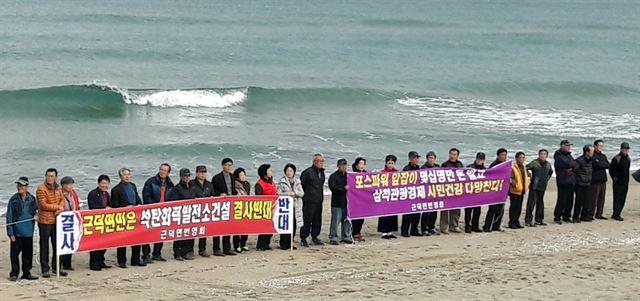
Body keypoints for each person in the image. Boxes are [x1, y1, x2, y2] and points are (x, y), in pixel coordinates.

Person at [110, 168, 145, 268]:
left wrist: (139, 206)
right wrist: (125, 208)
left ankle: (136, 259)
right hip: (123, 217)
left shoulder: (133, 186)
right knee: (122, 239)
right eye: (125, 175)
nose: (127, 176)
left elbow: (137, 198)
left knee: (137, 239)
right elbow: (115, 205)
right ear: (120, 176)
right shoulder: (116, 189)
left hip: (135, 215)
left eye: (128, 174)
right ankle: (122, 261)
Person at [6, 177, 39, 281]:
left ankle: (26, 273)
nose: (19, 187)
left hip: (28, 232)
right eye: (18, 186)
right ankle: (14, 274)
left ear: (26, 187)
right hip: (17, 232)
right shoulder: (13, 200)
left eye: (22, 186)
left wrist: (36, 215)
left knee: (27, 254)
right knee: (14, 255)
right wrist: (10, 233)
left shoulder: (32, 199)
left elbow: (36, 210)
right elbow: (9, 217)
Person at [36, 168, 67, 277]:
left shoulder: (58, 187)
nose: (50, 178)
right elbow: (43, 205)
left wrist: (61, 207)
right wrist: (58, 207)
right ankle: (45, 269)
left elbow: (63, 199)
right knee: (44, 245)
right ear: (45, 176)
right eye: (48, 176)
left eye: (52, 176)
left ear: (55, 177)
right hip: (45, 221)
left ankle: (57, 267)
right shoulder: (41, 188)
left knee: (58, 245)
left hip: (57, 220)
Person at [142, 163, 174, 263]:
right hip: (152, 210)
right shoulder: (150, 182)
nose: (162, 172)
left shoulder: (170, 183)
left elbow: (172, 197)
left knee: (161, 233)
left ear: (168, 172)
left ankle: (157, 254)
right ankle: (146, 255)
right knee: (147, 234)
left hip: (164, 212)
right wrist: (154, 207)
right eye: (161, 169)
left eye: (165, 170)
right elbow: (146, 196)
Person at [167, 168, 196, 261]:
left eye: (188, 176)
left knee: (190, 233)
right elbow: (173, 201)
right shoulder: (177, 188)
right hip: (180, 214)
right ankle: (177, 253)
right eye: (184, 176)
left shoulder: (192, 186)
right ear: (181, 177)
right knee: (179, 234)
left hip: (191, 213)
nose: (186, 178)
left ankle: (187, 251)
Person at [211, 158, 237, 256]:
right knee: (217, 227)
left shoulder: (233, 176)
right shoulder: (216, 178)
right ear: (223, 166)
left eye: (230, 165)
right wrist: (220, 194)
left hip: (230, 203)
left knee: (228, 226)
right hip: (220, 204)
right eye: (227, 165)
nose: (229, 167)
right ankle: (216, 249)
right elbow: (213, 191)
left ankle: (227, 248)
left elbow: (233, 189)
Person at [87, 175, 113, 271]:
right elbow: (92, 207)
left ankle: (101, 261)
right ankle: (93, 264)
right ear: (98, 183)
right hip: (96, 222)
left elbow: (110, 205)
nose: (104, 185)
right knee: (95, 243)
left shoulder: (106, 194)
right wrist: (104, 209)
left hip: (105, 221)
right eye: (102, 183)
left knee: (105, 243)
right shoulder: (93, 194)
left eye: (106, 183)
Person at [300, 154, 326, 247]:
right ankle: (303, 238)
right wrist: (306, 196)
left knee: (317, 220)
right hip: (309, 201)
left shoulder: (322, 173)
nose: (321, 163)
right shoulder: (307, 172)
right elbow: (302, 185)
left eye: (322, 161)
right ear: (314, 161)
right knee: (307, 220)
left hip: (319, 200)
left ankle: (315, 237)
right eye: (319, 161)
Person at [277, 163, 304, 250]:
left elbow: (302, 193)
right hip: (285, 206)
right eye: (288, 171)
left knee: (294, 225)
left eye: (291, 171)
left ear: (294, 172)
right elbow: (278, 193)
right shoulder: (282, 182)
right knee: (285, 225)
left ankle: (291, 242)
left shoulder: (297, 181)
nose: (289, 173)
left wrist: (295, 193)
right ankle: (283, 244)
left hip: (296, 206)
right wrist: (288, 194)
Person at [525, 149, 553, 227]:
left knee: (540, 203)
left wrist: (546, 180)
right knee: (531, 203)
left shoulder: (548, 164)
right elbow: (525, 168)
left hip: (542, 186)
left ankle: (539, 220)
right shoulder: (534, 163)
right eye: (541, 154)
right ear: (539, 155)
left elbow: (551, 172)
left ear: (547, 156)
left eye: (544, 154)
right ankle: (528, 220)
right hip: (534, 186)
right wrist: (529, 175)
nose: (543, 155)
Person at [483, 148, 508, 232]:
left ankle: (496, 226)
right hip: (494, 190)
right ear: (498, 156)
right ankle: (487, 226)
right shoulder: (494, 164)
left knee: (500, 209)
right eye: (502, 155)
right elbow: (489, 176)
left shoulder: (506, 164)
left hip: (503, 190)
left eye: (504, 155)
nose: (503, 156)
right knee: (492, 209)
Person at [553, 140, 578, 224]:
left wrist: (571, 166)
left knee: (570, 199)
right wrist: (571, 165)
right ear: (562, 146)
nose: (568, 147)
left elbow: (575, 164)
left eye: (569, 145)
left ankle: (566, 216)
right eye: (567, 145)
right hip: (562, 180)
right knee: (562, 199)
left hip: (571, 180)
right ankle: (557, 217)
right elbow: (565, 163)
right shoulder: (558, 154)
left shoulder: (569, 154)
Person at [329, 159, 353, 245]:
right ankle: (333, 237)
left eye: (345, 165)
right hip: (337, 203)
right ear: (338, 166)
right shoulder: (333, 176)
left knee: (347, 221)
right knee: (335, 221)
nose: (344, 167)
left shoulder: (349, 176)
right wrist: (343, 188)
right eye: (342, 165)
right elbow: (333, 188)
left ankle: (346, 236)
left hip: (347, 203)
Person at [191, 165, 213, 257]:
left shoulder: (209, 184)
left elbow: (213, 195)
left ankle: (202, 250)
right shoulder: (191, 183)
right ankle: (190, 250)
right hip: (194, 210)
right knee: (192, 230)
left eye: (204, 172)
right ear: (196, 173)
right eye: (200, 172)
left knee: (203, 230)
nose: (202, 174)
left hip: (205, 211)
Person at [440, 148, 463, 234]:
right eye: (451, 154)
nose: (453, 156)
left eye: (455, 154)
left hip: (456, 189)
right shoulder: (445, 164)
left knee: (456, 209)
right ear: (449, 154)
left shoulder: (460, 164)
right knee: (445, 209)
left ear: (457, 155)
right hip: (446, 189)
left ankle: (454, 225)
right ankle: (444, 227)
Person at [60, 176, 79, 271]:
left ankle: (67, 264)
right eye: (68, 184)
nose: (70, 186)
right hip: (62, 221)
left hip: (72, 220)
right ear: (63, 185)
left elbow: (77, 204)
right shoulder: (59, 194)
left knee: (70, 241)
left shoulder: (73, 194)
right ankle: (59, 264)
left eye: (71, 184)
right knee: (61, 243)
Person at [401, 151, 422, 237]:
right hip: (408, 193)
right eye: (414, 158)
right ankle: (404, 231)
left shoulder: (418, 168)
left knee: (417, 213)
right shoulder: (406, 168)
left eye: (417, 158)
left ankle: (414, 229)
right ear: (410, 159)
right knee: (407, 214)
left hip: (417, 193)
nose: (416, 159)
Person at [255, 164, 276, 250]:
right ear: (264, 173)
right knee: (264, 227)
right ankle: (261, 245)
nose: (271, 172)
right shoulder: (259, 184)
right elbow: (258, 197)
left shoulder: (272, 181)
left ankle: (267, 243)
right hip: (264, 208)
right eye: (269, 171)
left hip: (273, 207)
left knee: (271, 227)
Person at [378, 155, 399, 239]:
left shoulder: (397, 173)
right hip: (385, 195)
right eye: (389, 163)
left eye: (392, 163)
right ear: (386, 163)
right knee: (384, 214)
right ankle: (384, 232)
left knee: (393, 214)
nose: (390, 165)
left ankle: (390, 231)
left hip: (393, 195)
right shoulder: (382, 172)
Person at [588, 140, 610, 220]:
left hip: (603, 179)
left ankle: (599, 214)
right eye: (600, 145)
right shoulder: (592, 155)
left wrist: (600, 164)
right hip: (595, 180)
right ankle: (591, 214)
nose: (601, 147)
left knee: (602, 198)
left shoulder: (603, 156)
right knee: (593, 198)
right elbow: (596, 164)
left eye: (602, 146)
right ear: (595, 146)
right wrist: (600, 164)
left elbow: (607, 165)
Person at [610, 142, 631, 221]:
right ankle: (616, 214)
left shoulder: (628, 159)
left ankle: (618, 212)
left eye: (627, 149)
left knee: (623, 198)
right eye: (625, 149)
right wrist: (614, 178)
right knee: (617, 198)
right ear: (621, 149)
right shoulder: (616, 158)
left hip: (625, 182)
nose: (626, 150)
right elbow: (611, 169)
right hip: (617, 182)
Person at [465, 152, 485, 233]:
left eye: (481, 159)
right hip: (470, 192)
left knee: (477, 210)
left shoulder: (485, 170)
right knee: (468, 211)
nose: (479, 160)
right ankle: (467, 226)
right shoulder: (469, 167)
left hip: (479, 193)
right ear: (476, 158)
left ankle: (475, 225)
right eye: (478, 159)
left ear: (483, 160)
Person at [420, 151, 439, 235]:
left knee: (434, 211)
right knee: (426, 211)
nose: (431, 160)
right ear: (427, 159)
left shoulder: (438, 167)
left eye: (432, 158)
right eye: (429, 158)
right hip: (426, 192)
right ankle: (424, 228)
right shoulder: (423, 168)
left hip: (435, 192)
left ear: (435, 159)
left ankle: (432, 227)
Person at [508, 152, 528, 229]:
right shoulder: (513, 167)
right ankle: (512, 222)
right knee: (513, 207)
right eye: (520, 157)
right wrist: (515, 185)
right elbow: (510, 178)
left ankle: (516, 221)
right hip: (515, 191)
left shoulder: (524, 167)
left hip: (522, 190)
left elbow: (527, 176)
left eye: (523, 157)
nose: (522, 159)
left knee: (519, 208)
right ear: (516, 158)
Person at [233, 168, 251, 252]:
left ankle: (243, 244)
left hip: (246, 207)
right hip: (237, 207)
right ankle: (236, 245)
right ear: (237, 177)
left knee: (246, 227)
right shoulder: (235, 184)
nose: (243, 176)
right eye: (241, 175)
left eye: (244, 174)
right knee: (237, 228)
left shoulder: (247, 184)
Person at [574, 145, 594, 223]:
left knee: (587, 201)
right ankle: (576, 217)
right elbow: (574, 170)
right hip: (580, 184)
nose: (593, 153)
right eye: (591, 151)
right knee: (579, 201)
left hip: (588, 183)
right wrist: (579, 179)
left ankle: (584, 216)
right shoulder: (579, 160)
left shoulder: (591, 160)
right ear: (587, 152)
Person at [350, 157, 366, 242]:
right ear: (356, 165)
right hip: (355, 200)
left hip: (363, 200)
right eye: (360, 164)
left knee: (362, 218)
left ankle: (358, 233)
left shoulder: (366, 174)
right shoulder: (352, 175)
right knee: (355, 218)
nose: (362, 166)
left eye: (363, 164)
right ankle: (354, 233)